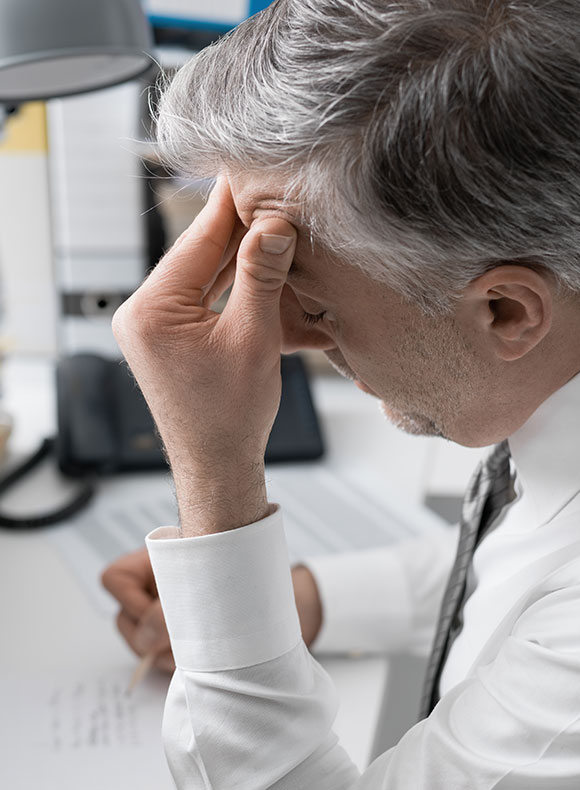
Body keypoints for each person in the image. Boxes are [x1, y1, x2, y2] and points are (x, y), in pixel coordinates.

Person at [102, 1, 580, 787]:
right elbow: (515, 565)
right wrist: (307, 598)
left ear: (506, 310)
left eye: (314, 303)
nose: (281, 338)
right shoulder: (545, 369)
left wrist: (217, 484)